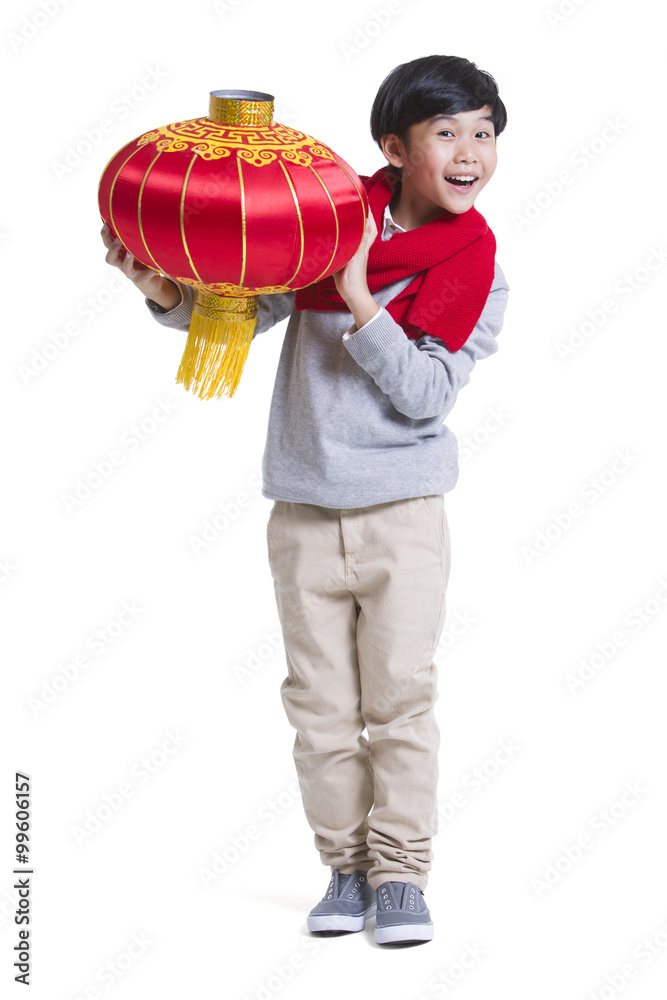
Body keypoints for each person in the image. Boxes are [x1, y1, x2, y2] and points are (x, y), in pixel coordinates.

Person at [101, 53, 509, 946]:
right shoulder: (321, 226)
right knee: (318, 706)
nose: (471, 151)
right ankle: (346, 868)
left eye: (484, 133)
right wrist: (164, 289)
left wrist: (363, 298)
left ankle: (401, 875)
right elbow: (246, 302)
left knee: (399, 700)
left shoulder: (475, 268)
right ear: (393, 148)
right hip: (302, 509)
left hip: (404, 515)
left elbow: (427, 396)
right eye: (448, 133)